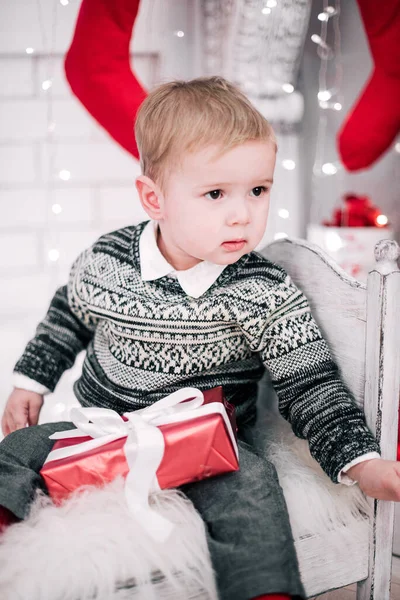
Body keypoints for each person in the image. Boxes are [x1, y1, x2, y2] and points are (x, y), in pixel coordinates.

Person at [0, 77, 399, 600]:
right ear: (155, 198)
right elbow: (66, 317)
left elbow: (311, 384)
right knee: (16, 449)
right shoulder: (109, 260)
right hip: (102, 431)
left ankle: (266, 592)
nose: (242, 214)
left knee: (254, 492)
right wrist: (30, 382)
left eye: (258, 190)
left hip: (208, 443)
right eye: (215, 193)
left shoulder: (264, 290)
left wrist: (361, 461)